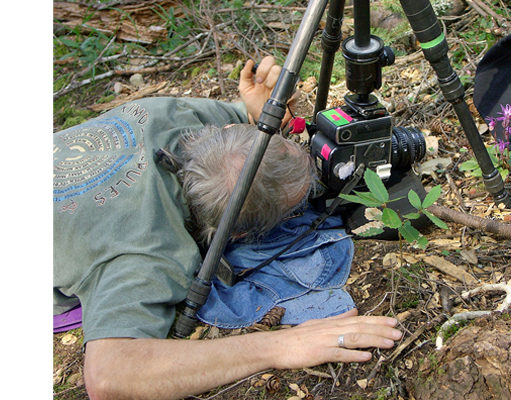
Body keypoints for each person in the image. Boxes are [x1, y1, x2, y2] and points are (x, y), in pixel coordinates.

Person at [53, 56, 402, 400]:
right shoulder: (147, 254)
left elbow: (247, 139)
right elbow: (111, 376)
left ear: (228, 130)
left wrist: (259, 110)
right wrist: (281, 346)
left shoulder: (170, 117)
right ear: (236, 236)